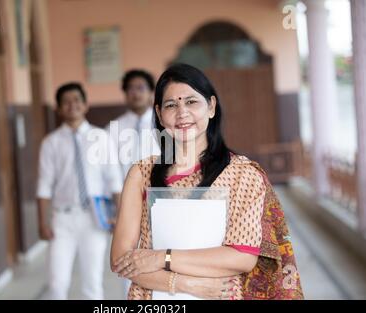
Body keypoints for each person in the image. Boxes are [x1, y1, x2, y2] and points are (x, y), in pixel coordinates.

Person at [110, 64, 303, 300]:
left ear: (211, 107)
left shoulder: (242, 174)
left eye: (191, 102)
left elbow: (242, 256)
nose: (182, 113)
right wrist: (185, 284)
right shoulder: (141, 173)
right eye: (171, 105)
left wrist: (161, 257)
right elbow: (121, 260)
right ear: (160, 115)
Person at [37, 82, 122, 300]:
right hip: (62, 220)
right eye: (65, 102)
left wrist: (119, 218)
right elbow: (44, 185)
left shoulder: (101, 138)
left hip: (94, 218)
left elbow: (114, 179)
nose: (71, 105)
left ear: (85, 105)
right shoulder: (51, 143)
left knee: (92, 284)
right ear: (58, 108)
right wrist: (43, 222)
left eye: (76, 100)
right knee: (57, 283)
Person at [106, 69, 160, 297]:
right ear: (125, 94)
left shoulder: (163, 123)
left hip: (160, 200)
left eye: (141, 88)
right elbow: (111, 170)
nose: (136, 93)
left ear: (150, 93)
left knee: (160, 256)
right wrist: (120, 206)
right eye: (131, 89)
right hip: (127, 203)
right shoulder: (114, 128)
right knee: (127, 259)